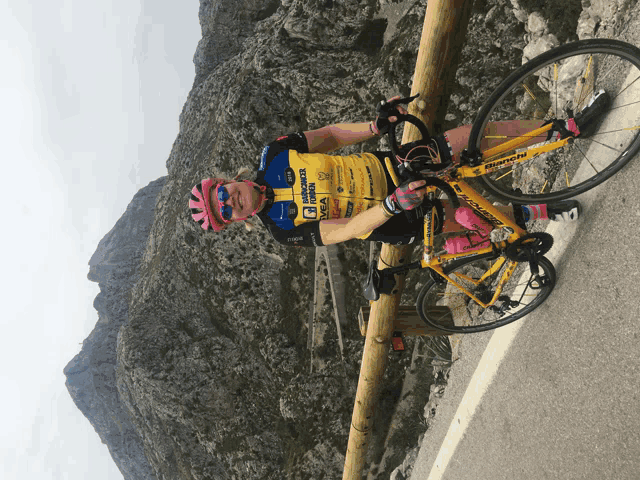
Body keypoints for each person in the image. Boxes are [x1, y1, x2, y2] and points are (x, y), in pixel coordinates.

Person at [188, 95, 598, 248]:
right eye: (224, 210)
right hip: (391, 215)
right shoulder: (282, 228)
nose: (229, 201)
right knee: (464, 216)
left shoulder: (275, 154)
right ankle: (541, 213)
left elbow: (329, 136)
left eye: (221, 194)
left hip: (390, 165)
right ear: (235, 221)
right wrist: (388, 206)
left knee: (467, 139)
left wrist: (374, 127)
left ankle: (557, 129)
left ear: (227, 181)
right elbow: (345, 230)